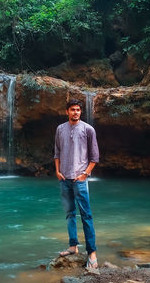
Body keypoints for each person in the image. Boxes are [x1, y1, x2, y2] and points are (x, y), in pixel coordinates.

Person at [54, 99, 99, 269]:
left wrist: (85, 174)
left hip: (79, 179)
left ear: (81, 112)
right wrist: (58, 172)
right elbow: (56, 152)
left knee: (86, 216)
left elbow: (95, 157)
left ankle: (92, 253)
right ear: (67, 111)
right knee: (69, 214)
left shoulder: (88, 129)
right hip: (64, 178)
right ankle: (73, 246)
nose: (75, 112)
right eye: (72, 109)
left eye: (78, 110)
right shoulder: (60, 129)